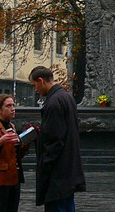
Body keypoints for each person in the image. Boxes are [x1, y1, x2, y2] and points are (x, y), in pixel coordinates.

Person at [29, 66, 86, 212]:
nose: (35, 90)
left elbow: (54, 139)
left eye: (34, 85)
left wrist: (45, 165)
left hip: (57, 173)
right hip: (68, 170)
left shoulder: (53, 103)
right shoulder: (66, 97)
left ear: (41, 81)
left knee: (57, 206)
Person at [0, 94, 28, 212]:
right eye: (8, 106)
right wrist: (0, 143)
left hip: (14, 178)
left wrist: (26, 142)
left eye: (13, 105)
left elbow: (15, 154)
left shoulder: (11, 126)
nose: (13, 108)